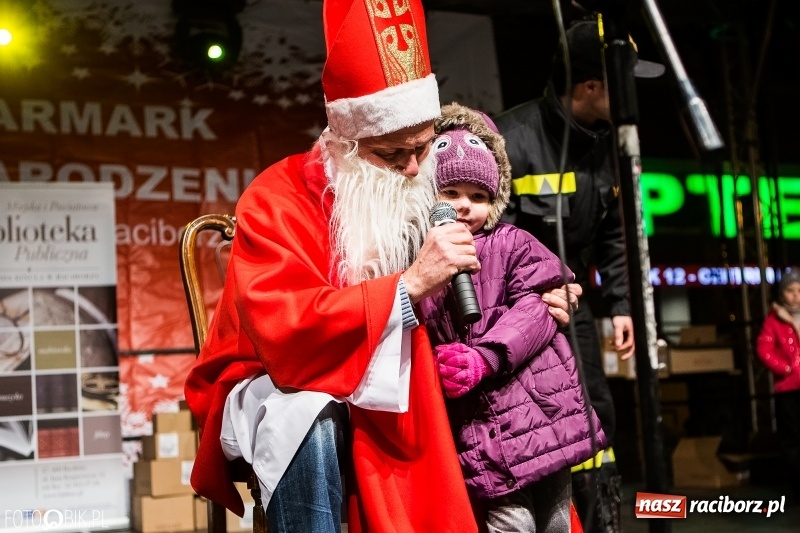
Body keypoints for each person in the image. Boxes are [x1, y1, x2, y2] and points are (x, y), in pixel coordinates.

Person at [184, 2, 579, 532]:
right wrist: (410, 284)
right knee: (303, 416)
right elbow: (285, 332)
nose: (414, 169)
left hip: (404, 370)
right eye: (394, 155)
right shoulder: (277, 197)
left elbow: (489, 270)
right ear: (347, 145)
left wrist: (542, 298)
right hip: (288, 374)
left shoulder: (423, 189)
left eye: (422, 149)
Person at [493, 16, 665, 533]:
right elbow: (490, 240)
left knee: (597, 415)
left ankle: (601, 523)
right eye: (625, 81)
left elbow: (615, 231)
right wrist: (535, 292)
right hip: (517, 314)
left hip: (579, 307)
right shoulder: (509, 139)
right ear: (591, 86)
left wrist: (619, 306)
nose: (634, 95)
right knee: (540, 422)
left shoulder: (613, 142)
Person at [420, 103, 606, 532]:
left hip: (543, 410)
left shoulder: (512, 242)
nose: (464, 206)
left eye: (478, 196)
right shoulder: (421, 260)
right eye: (450, 194)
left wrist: (484, 356)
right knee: (510, 523)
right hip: (486, 422)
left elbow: (539, 307)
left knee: (557, 520)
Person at [756, 267, 800, 497]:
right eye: (790, 290)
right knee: (793, 438)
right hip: (789, 386)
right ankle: (796, 486)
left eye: (799, 290)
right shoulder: (774, 320)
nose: (795, 295)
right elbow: (764, 349)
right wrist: (785, 368)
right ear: (782, 293)